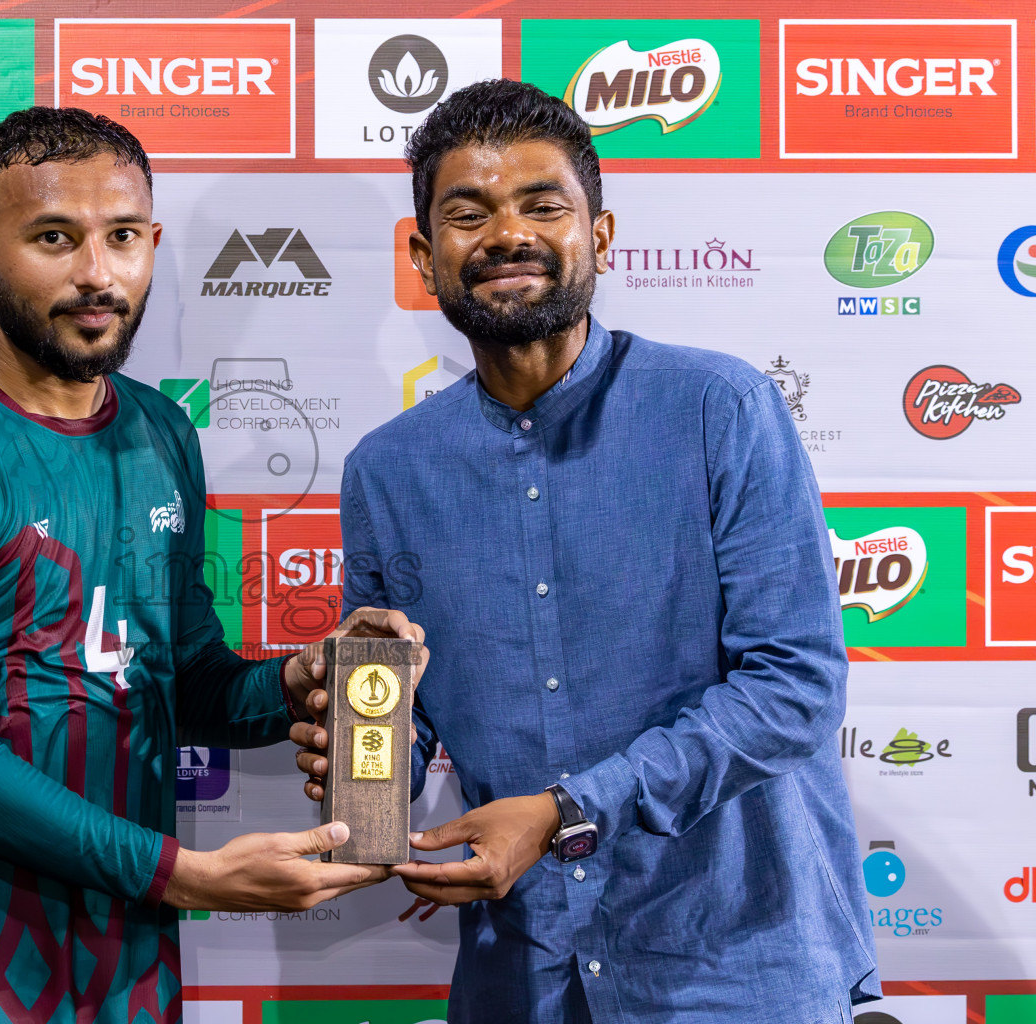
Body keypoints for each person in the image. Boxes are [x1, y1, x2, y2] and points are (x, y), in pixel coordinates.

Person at [292, 80, 878, 1023]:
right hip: (524, 974)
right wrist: (364, 764)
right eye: (467, 213)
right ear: (422, 254)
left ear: (600, 236)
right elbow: (396, 753)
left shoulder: (718, 410)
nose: (505, 236)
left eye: (543, 205)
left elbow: (795, 687)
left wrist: (564, 810)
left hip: (732, 967)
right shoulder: (387, 471)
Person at [0, 106, 425, 1024]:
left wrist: (306, 678)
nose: (97, 275)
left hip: (126, 967)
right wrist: (188, 876)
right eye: (54, 239)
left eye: (122, 238)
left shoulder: (162, 431)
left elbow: (183, 681)